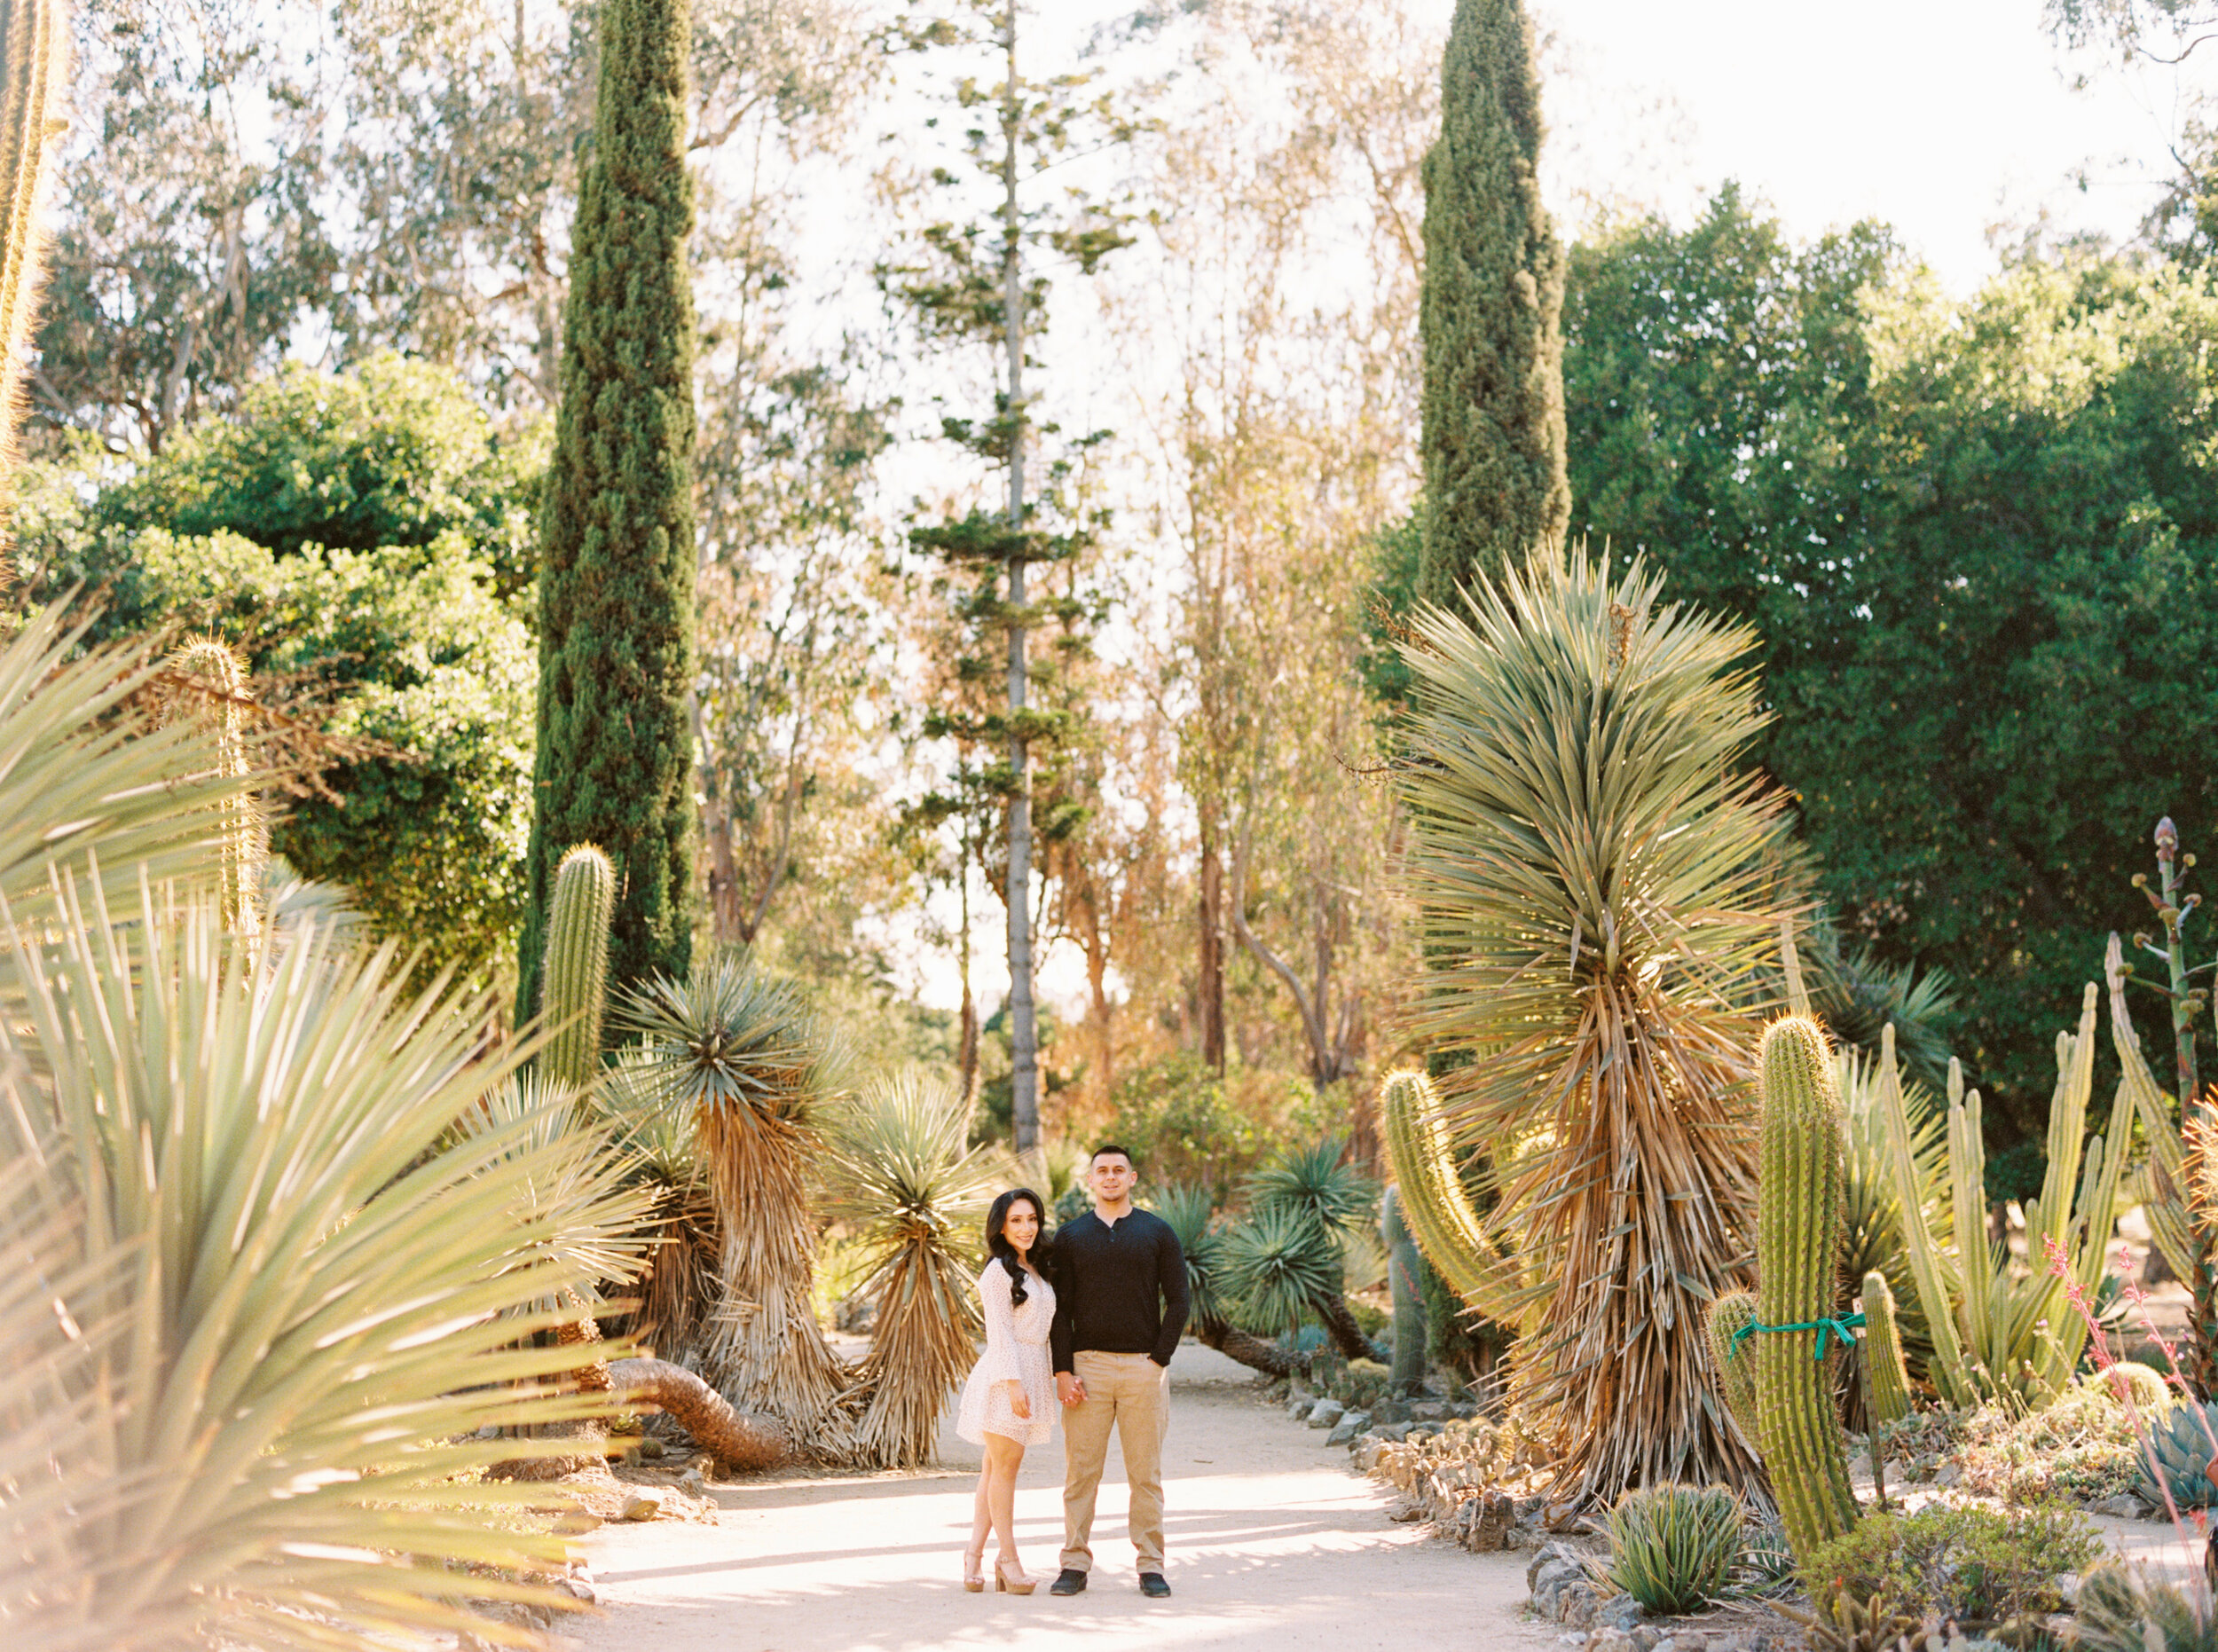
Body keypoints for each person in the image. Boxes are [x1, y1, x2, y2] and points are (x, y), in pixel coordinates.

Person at [1047, 1144, 1189, 1601]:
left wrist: (1158, 1362)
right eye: (1101, 1171)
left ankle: (1151, 1566)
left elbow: (1180, 1301)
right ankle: (1074, 1562)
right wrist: (1063, 1370)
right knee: (1081, 1472)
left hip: (1142, 1370)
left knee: (1144, 1474)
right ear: (1090, 1180)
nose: (1110, 1177)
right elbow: (1058, 1310)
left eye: (1118, 1170)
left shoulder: (1157, 1232)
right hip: (1087, 1368)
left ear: (1132, 1177)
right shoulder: (1069, 1237)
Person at [955, 1187, 1057, 1594]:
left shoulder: (1036, 1268)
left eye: (1032, 1219)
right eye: (1016, 1220)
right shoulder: (997, 1272)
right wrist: (1014, 1383)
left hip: (1031, 1371)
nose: (1026, 1227)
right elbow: (998, 1334)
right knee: (1006, 1470)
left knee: (993, 1469)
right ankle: (1008, 1559)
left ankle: (973, 1556)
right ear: (1000, 1225)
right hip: (1005, 1378)